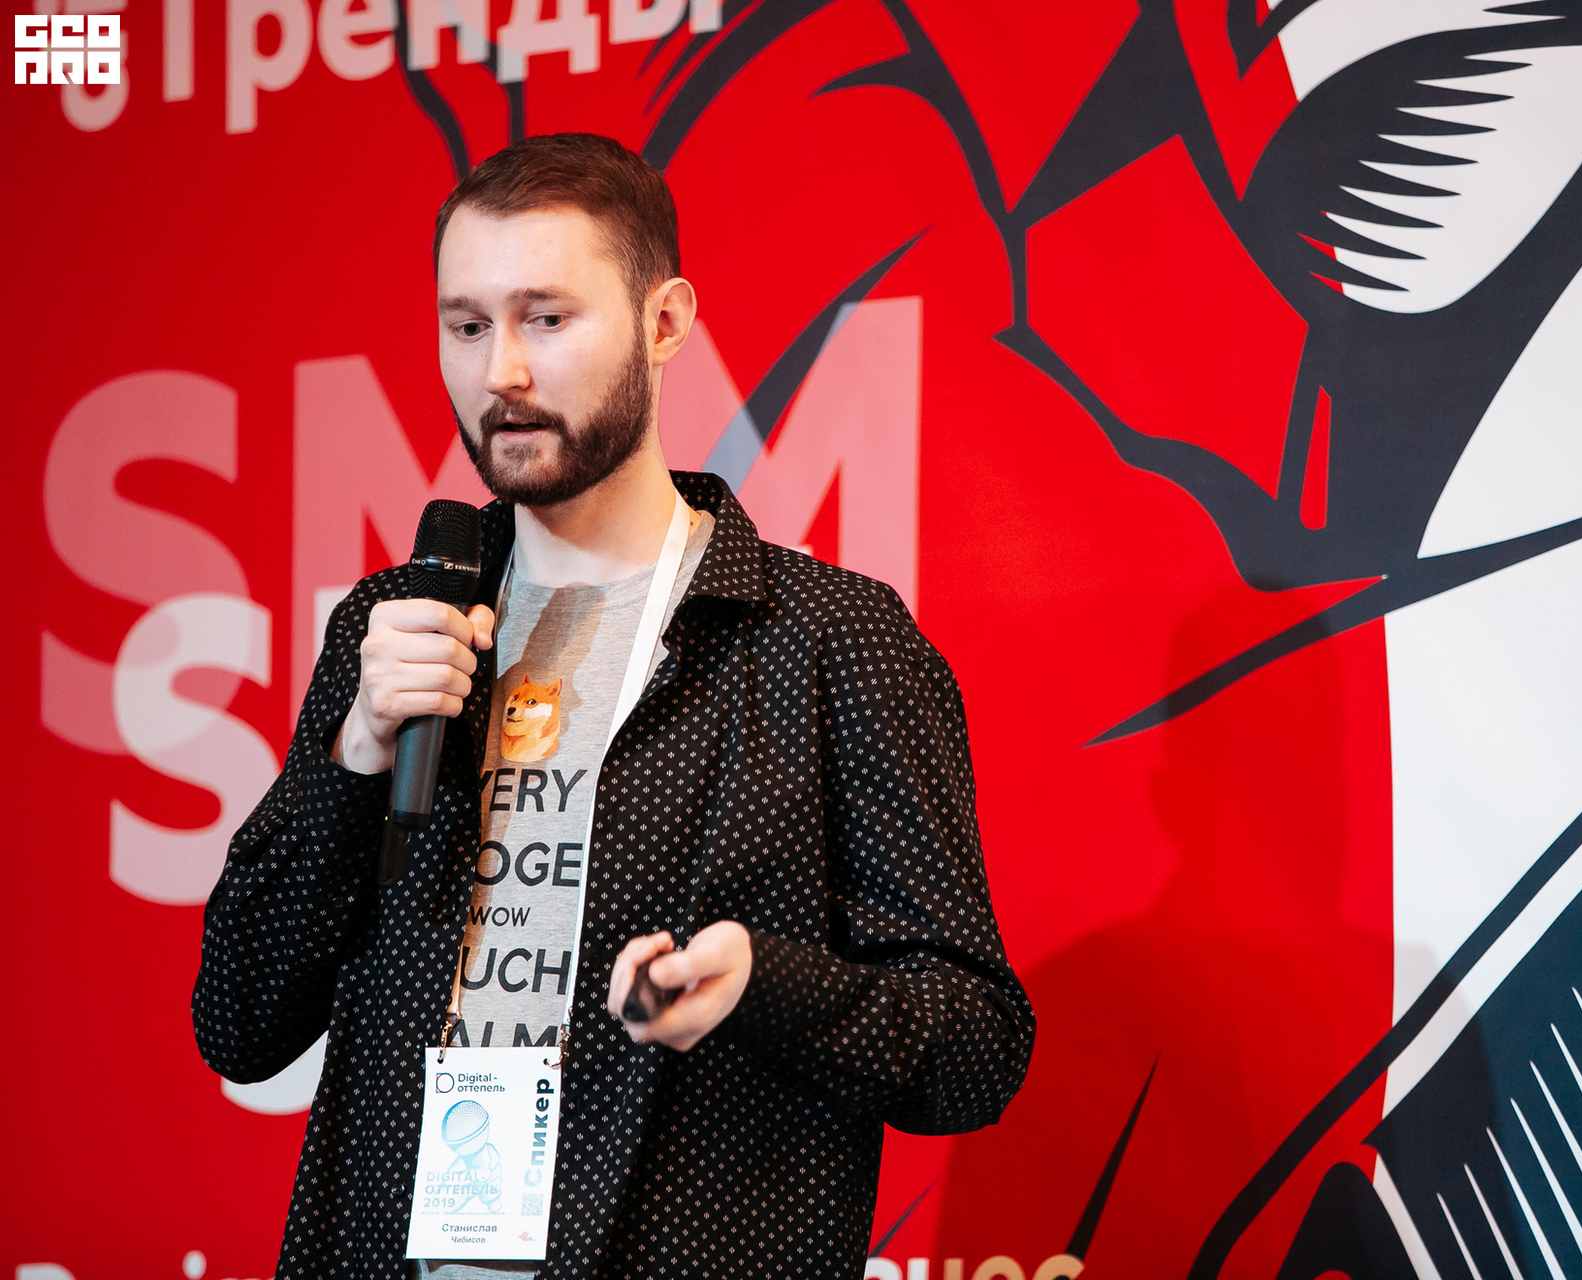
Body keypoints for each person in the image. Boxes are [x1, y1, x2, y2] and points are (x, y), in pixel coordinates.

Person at [193, 132, 1033, 1279]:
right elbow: (239, 1019)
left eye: (546, 318)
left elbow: (975, 1048)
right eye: (466, 325)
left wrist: (765, 983)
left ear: (665, 321)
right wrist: (353, 755)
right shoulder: (399, 625)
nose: (501, 372)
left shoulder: (828, 638)